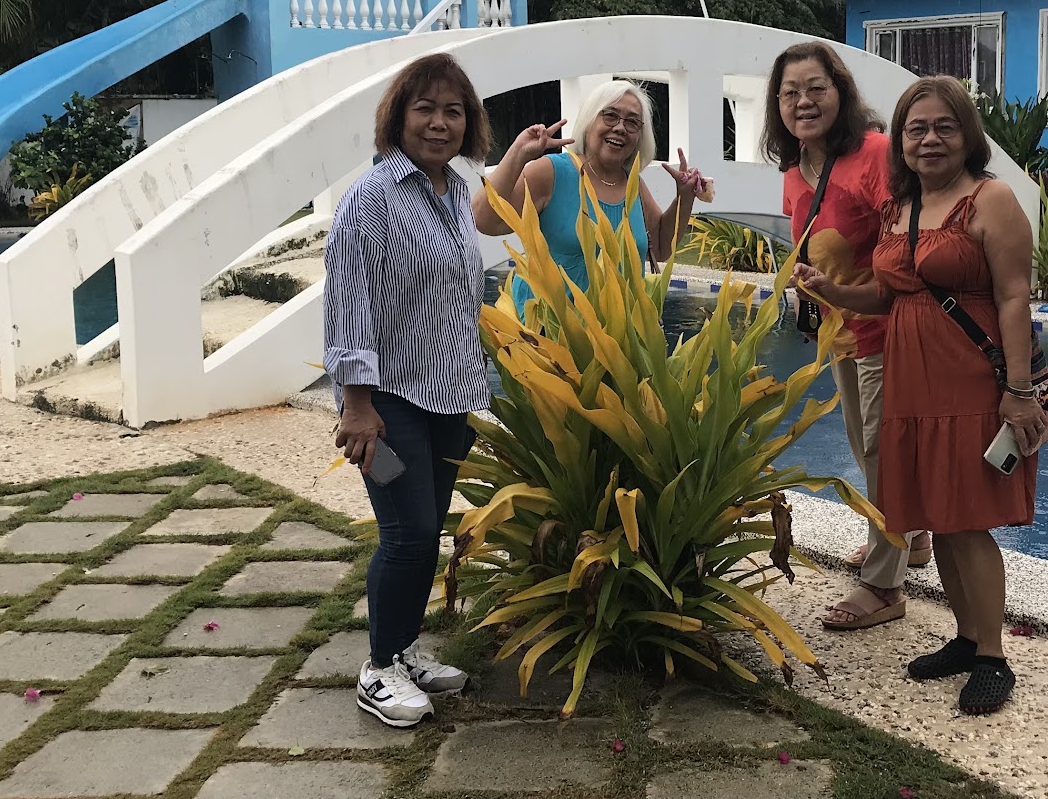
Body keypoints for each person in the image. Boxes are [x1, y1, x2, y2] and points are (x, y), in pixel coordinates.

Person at [793, 76, 1048, 716]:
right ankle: (966, 639)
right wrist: (831, 290)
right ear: (901, 143)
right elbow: (887, 295)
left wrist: (1018, 391)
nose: (929, 139)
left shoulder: (990, 199)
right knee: (939, 516)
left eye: (944, 127)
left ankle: (993, 657)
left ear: (967, 135)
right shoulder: (900, 208)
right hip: (912, 383)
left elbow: (1013, 299)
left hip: (972, 382)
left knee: (968, 521)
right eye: (916, 129)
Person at [323, 52, 492, 728]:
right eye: (425, 108)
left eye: (453, 110)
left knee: (427, 527)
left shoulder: (453, 191)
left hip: (448, 398)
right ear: (399, 116)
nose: (439, 123)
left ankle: (401, 649)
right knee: (408, 532)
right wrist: (356, 404)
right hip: (386, 402)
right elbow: (349, 301)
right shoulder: (371, 197)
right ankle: (378, 670)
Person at [765, 42, 929, 634]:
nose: (803, 102)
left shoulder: (874, 154)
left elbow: (904, 241)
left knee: (882, 453)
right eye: (790, 92)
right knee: (867, 448)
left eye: (817, 88)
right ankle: (912, 538)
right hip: (839, 332)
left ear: (841, 92)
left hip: (884, 328)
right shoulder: (794, 172)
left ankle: (884, 586)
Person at [475, 78, 712, 303]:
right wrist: (518, 152)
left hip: (616, 331)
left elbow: (660, 247)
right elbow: (484, 219)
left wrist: (685, 197)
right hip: (547, 328)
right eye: (610, 116)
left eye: (632, 122)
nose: (620, 128)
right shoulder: (551, 173)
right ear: (589, 122)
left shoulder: (634, 186)